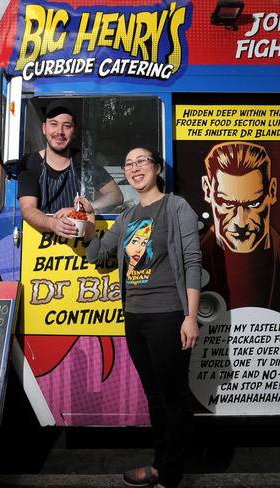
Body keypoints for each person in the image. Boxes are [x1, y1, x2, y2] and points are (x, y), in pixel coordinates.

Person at [79, 147, 201, 488]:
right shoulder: (128, 216)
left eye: (142, 162)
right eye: (128, 164)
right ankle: (160, 464)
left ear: (157, 168)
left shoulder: (177, 207)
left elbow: (192, 262)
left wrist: (190, 316)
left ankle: (171, 475)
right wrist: (87, 226)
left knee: (174, 399)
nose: (135, 168)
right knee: (155, 396)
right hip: (134, 318)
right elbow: (99, 254)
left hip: (167, 316)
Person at [200, 141, 280, 324]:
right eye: (227, 204)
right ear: (208, 190)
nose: (241, 221)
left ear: (272, 191)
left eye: (254, 204)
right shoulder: (192, 258)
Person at [17, 99, 123, 238]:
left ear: (74, 132)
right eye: (54, 124)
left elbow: (116, 196)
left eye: (67, 126)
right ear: (44, 128)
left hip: (80, 248)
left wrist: (81, 209)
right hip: (41, 245)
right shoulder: (30, 163)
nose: (60, 131)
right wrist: (52, 223)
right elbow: (28, 208)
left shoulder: (84, 162)